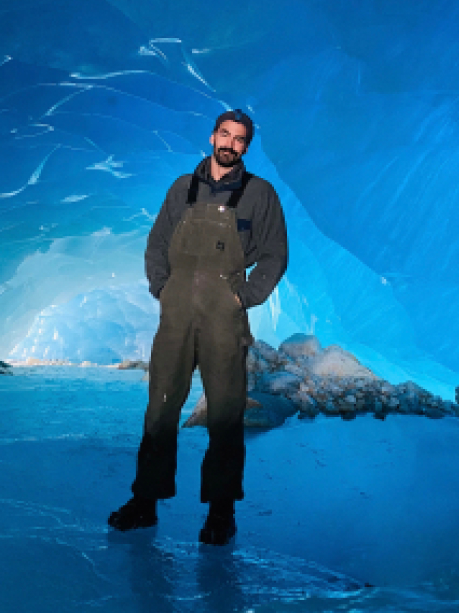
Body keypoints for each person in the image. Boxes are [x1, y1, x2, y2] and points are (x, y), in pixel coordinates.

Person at [108, 109, 288, 545]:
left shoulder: (259, 194)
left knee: (225, 414)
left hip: (223, 318)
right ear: (212, 138)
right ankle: (144, 502)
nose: (230, 143)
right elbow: (157, 243)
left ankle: (221, 513)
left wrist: (242, 298)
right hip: (176, 317)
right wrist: (163, 288)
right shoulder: (181, 189)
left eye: (239, 139)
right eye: (224, 134)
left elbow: (274, 256)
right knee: (161, 409)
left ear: (246, 146)